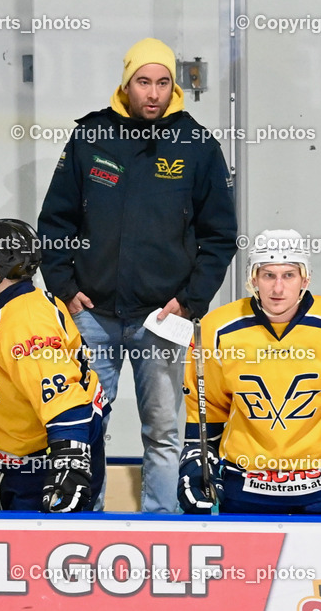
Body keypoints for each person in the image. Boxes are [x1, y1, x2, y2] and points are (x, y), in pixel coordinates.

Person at [37, 37, 237, 513]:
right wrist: (64, 288)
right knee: (84, 429)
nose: (153, 93)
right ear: (125, 85)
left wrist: (189, 302)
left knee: (164, 431)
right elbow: (55, 221)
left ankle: (161, 532)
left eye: (163, 83)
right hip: (93, 316)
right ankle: (85, 529)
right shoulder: (91, 137)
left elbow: (220, 234)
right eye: (143, 82)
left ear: (175, 88)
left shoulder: (197, 145)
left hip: (161, 318)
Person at [178, 229, 321, 515]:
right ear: (253, 278)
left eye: (288, 275)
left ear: (306, 278)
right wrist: (196, 458)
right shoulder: (215, 328)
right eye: (268, 275)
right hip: (243, 482)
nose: (278, 289)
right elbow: (208, 406)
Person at [0, 219, 107, 512]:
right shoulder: (16, 303)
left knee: (33, 555)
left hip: (44, 465)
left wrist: (69, 465)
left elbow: (62, 394)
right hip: (23, 463)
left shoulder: (23, 321)